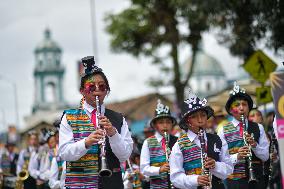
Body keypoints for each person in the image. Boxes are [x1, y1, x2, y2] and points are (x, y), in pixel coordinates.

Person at [59, 56, 133, 189]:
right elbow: (64, 153)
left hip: (112, 184)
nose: (97, 90)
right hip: (80, 184)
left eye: (102, 86)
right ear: (82, 91)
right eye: (91, 87)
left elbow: (124, 156)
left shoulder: (118, 118)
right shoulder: (69, 117)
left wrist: (113, 134)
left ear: (107, 90)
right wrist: (86, 143)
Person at [169, 90, 233, 189]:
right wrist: (195, 180)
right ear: (187, 121)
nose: (200, 120)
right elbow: (175, 177)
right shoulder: (179, 145)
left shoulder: (218, 139)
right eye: (194, 117)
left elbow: (229, 169)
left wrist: (215, 165)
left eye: (203, 115)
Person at [218, 82, 269, 189]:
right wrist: (237, 156)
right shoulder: (223, 130)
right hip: (234, 182)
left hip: (257, 180)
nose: (241, 108)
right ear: (231, 110)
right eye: (237, 105)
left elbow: (265, 156)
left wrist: (254, 145)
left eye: (244, 104)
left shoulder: (258, 127)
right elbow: (221, 161)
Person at [140, 99, 178, 189]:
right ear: (155, 125)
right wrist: (159, 169)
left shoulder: (178, 141)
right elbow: (144, 169)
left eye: (168, 122)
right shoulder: (148, 143)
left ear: (172, 125)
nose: (165, 126)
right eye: (161, 122)